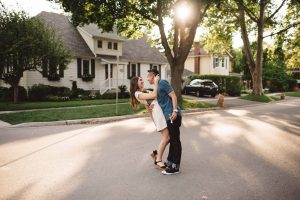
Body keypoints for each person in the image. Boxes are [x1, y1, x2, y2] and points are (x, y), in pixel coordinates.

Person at [129, 75, 170, 169]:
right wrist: (155, 82)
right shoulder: (137, 93)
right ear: (135, 83)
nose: (142, 81)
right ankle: (158, 160)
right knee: (166, 137)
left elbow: (149, 109)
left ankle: (156, 154)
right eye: (140, 80)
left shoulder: (144, 91)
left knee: (168, 137)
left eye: (142, 79)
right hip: (158, 113)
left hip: (158, 112)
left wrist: (155, 122)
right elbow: (154, 95)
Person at [147, 68, 182, 175]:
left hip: (173, 115)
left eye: (148, 76)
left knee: (175, 141)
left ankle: (175, 167)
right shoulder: (157, 86)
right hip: (167, 116)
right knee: (172, 140)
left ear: (153, 76)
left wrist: (175, 111)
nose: (147, 78)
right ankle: (170, 162)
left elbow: (173, 96)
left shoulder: (162, 82)